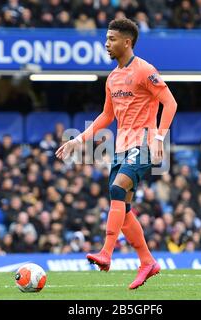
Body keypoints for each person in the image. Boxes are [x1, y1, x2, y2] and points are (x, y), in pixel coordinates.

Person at [56, 18, 177, 290]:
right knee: (123, 208)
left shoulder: (145, 70)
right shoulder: (112, 78)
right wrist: (79, 139)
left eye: (111, 39)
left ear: (127, 42)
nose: (106, 43)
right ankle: (147, 261)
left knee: (117, 189)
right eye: (106, 38)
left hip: (144, 143)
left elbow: (169, 102)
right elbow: (107, 115)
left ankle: (106, 253)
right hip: (121, 146)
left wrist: (159, 136)